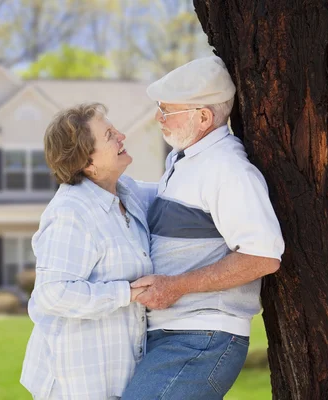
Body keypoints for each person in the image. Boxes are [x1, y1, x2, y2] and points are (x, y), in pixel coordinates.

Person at [121, 56, 285, 400]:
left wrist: (176, 286)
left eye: (166, 111)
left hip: (203, 337)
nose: (157, 118)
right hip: (174, 333)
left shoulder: (228, 171)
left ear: (203, 117)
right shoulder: (182, 159)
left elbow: (263, 257)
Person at [20, 103, 155, 399]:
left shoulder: (126, 193)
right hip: (78, 380)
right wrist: (128, 293)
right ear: (87, 163)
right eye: (109, 135)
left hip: (117, 374)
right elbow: (52, 293)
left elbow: (177, 193)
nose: (121, 135)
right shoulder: (72, 212)